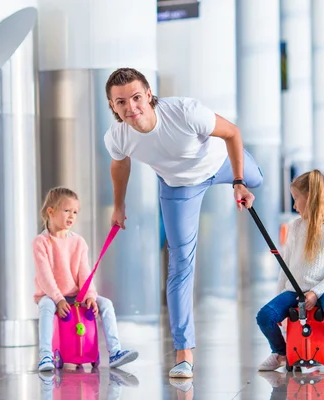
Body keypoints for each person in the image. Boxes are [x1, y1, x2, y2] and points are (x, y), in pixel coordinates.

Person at [102, 67, 263, 378]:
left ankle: (246, 167)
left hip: (222, 164)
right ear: (113, 106)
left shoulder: (186, 112)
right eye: (121, 102)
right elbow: (119, 165)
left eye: (136, 98)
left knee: (258, 178)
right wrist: (119, 205)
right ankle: (184, 353)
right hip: (179, 187)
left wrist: (240, 181)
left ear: (148, 95)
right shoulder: (118, 136)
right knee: (180, 266)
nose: (130, 107)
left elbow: (232, 133)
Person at [256, 170, 324, 373]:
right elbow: (286, 266)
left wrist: (315, 293)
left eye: (296, 199)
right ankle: (281, 353)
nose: (294, 206)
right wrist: (280, 302)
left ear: (310, 198)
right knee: (265, 316)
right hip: (295, 291)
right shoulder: (295, 227)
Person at [33, 187, 139, 372]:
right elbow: (45, 277)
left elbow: (84, 272)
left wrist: (89, 295)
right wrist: (58, 299)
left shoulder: (78, 242)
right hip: (52, 295)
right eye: (67, 210)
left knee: (105, 304)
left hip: (77, 295)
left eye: (75, 212)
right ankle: (45, 356)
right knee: (45, 306)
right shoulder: (41, 242)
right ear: (51, 211)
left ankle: (115, 352)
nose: (71, 216)